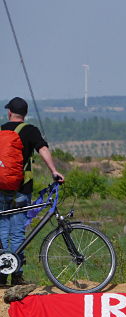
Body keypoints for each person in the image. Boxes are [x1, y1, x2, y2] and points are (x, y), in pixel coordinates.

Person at [0, 97, 64, 286]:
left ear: (10, 112)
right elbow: (42, 149)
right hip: (22, 187)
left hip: (1, 186)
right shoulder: (30, 130)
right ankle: (17, 276)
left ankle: (2, 275)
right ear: (25, 114)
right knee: (18, 231)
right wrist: (54, 171)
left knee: (3, 229)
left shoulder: (2, 129)